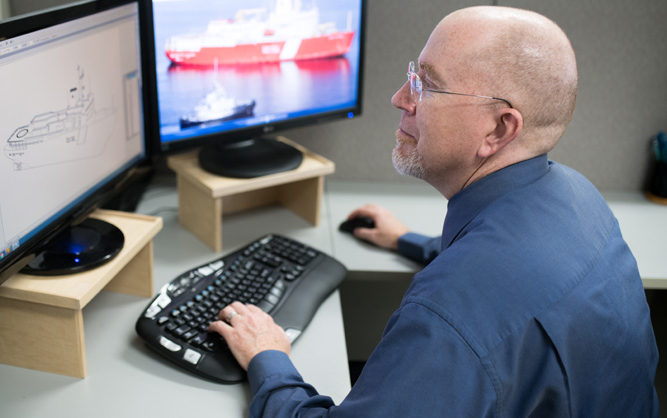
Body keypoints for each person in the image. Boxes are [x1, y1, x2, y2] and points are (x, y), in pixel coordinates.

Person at [209, 6, 660, 417]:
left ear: (499, 128)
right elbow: (516, 281)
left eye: (426, 83)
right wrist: (405, 240)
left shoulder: (448, 312)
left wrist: (268, 356)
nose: (400, 97)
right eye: (412, 74)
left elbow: (480, 302)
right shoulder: (577, 196)